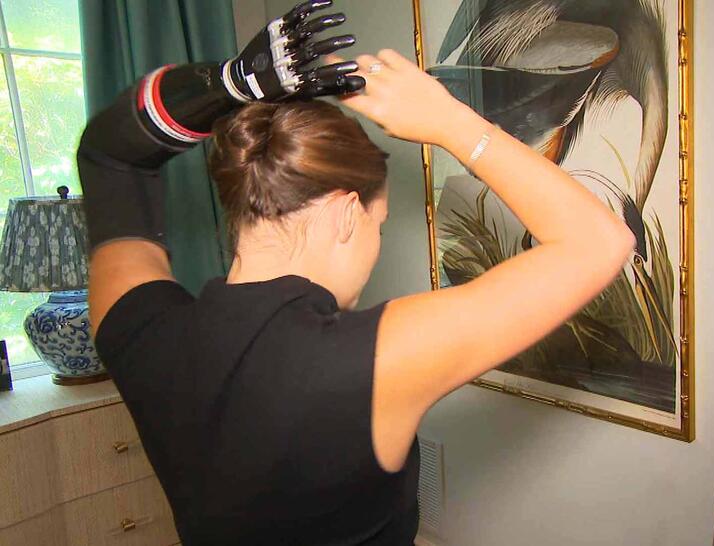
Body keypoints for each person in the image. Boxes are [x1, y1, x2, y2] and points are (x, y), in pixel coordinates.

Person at [77, 1, 634, 545]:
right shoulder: (369, 363)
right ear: (346, 213)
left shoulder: (142, 331)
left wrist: (230, 85)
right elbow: (601, 241)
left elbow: (109, 156)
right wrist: (451, 122)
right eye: (380, 224)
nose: (376, 244)